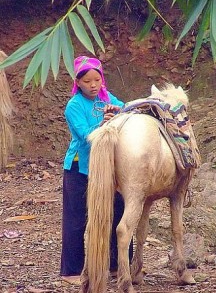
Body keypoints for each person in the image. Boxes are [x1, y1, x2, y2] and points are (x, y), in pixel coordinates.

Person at [60, 56, 133, 285]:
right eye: (88, 81)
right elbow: (85, 136)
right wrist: (103, 121)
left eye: (97, 79)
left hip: (107, 168)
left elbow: (126, 110)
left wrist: (118, 111)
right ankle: (70, 271)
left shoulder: (106, 97)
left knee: (118, 212)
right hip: (79, 168)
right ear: (77, 83)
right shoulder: (74, 106)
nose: (93, 85)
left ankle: (116, 265)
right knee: (76, 220)